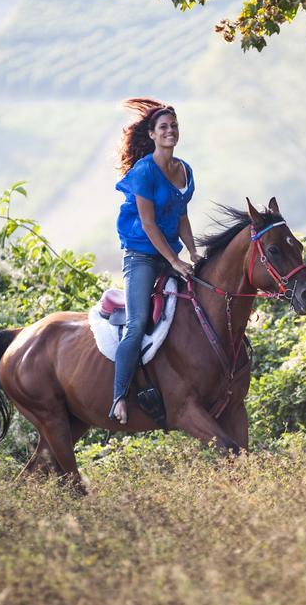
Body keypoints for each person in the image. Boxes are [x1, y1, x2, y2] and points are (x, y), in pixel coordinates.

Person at [110, 98, 200, 425]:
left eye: (174, 126)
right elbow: (148, 225)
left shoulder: (184, 170)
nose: (170, 131)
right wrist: (175, 261)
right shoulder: (144, 171)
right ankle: (119, 398)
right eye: (164, 127)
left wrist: (193, 253)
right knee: (136, 325)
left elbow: (182, 216)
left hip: (172, 254)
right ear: (152, 134)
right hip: (142, 256)